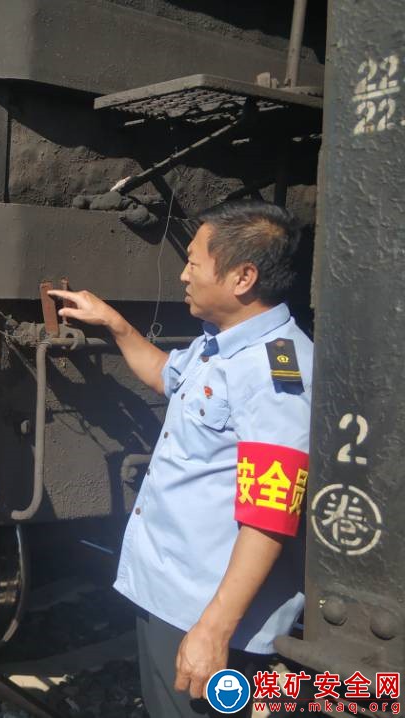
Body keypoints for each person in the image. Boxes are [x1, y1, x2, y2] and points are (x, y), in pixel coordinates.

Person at [50, 200, 313, 718]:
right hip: (172, 593)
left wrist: (214, 628)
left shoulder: (278, 372)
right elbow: (169, 376)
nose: (183, 274)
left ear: (243, 277)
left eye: (193, 262)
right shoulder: (223, 345)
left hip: (207, 609)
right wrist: (113, 324)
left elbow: (270, 515)